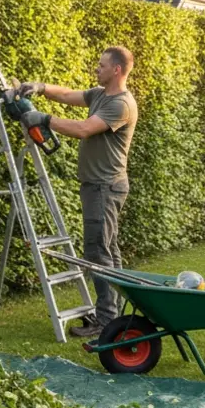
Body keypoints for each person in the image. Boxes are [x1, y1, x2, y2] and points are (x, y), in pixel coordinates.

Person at [16, 46, 138, 339]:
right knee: (108, 251)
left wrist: (43, 120)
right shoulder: (99, 94)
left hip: (105, 187)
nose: (97, 68)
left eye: (102, 65)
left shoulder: (121, 104)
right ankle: (113, 314)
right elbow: (69, 95)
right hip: (98, 185)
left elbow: (84, 128)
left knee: (98, 253)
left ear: (117, 70)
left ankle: (106, 321)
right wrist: (41, 88)